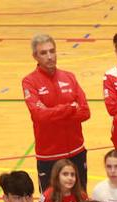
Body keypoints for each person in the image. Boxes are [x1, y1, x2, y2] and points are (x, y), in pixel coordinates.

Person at [24, 34, 91, 191]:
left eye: (52, 51)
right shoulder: (29, 82)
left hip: (76, 152)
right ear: (35, 56)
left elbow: (85, 112)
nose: (49, 57)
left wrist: (52, 113)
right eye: (43, 53)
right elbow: (39, 116)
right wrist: (69, 108)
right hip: (48, 156)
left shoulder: (69, 77)